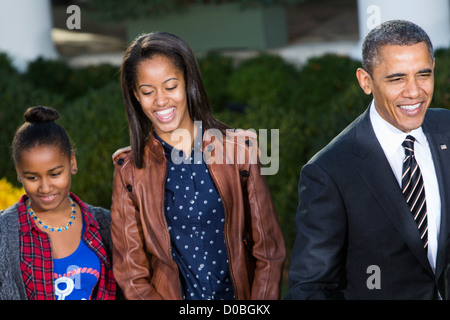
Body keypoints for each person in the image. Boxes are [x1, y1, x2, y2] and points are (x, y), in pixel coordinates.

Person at [111, 31, 285, 300]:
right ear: (136, 95)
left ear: (188, 83)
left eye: (170, 86)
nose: (160, 101)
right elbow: (131, 274)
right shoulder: (129, 170)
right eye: (148, 91)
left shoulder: (240, 151)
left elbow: (269, 253)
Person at [286, 20, 450, 299]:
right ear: (365, 81)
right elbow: (311, 288)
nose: (414, 91)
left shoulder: (446, 128)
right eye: (397, 78)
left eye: (423, 74)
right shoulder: (329, 171)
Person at [0, 106, 117, 300]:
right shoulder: (4, 233)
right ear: (19, 173)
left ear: (72, 162)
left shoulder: (105, 224)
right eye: (32, 177)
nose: (45, 188)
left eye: (55, 174)